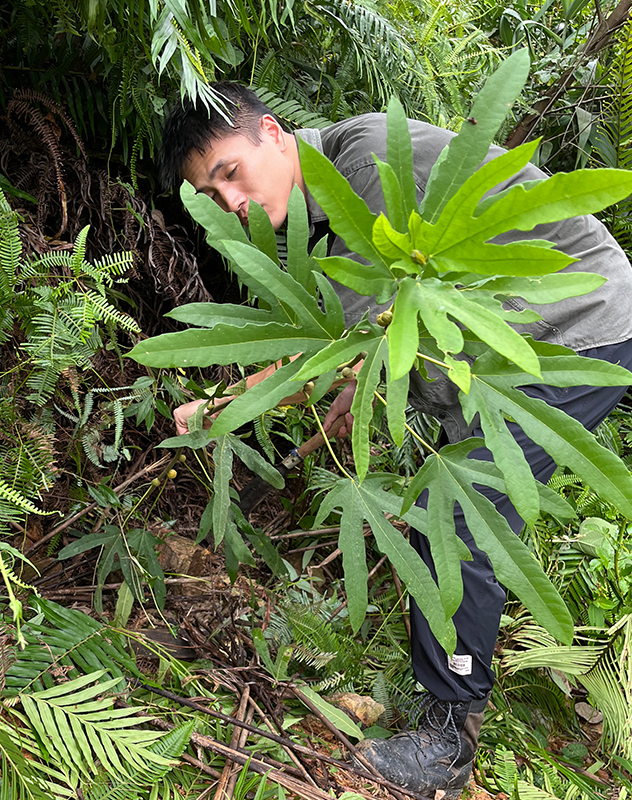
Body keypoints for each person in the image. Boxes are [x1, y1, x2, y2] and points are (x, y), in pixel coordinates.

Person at [158, 82, 632, 799]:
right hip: (502, 349)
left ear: (274, 134)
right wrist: (349, 394)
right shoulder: (317, 212)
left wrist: (222, 405)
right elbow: (377, 338)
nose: (231, 202)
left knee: (461, 516)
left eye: (230, 173)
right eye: (211, 195)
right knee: (452, 507)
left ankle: (447, 742)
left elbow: (340, 346)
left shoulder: (366, 162)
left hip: (575, 324)